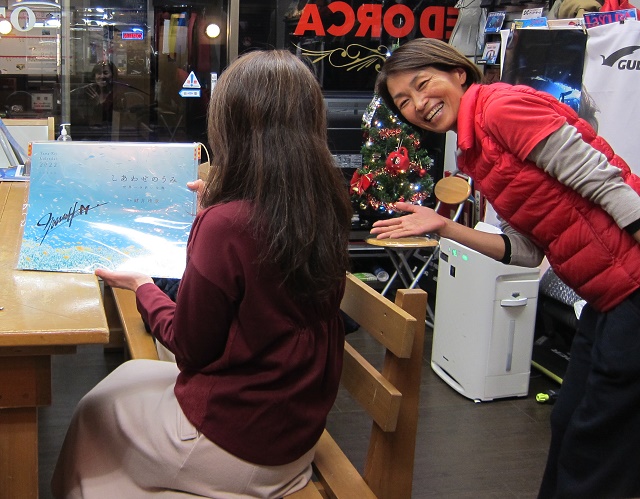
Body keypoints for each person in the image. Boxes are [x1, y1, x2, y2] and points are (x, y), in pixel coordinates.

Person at [52, 50, 353, 498]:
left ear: (231, 126)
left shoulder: (226, 224)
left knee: (92, 412)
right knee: (123, 381)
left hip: (235, 444)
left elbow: (190, 348)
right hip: (293, 435)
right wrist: (212, 214)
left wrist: (142, 286)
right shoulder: (325, 205)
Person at [370, 38, 640, 498]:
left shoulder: (500, 108)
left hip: (632, 283)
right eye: (404, 101)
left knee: (599, 441)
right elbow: (526, 251)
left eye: (423, 83)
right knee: (569, 418)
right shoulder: (476, 151)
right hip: (606, 294)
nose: (419, 103)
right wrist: (444, 227)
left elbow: (600, 178)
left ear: (457, 73)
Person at [70, 62, 118, 139]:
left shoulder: (116, 93)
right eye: (99, 73)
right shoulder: (87, 91)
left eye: (105, 73)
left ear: (112, 75)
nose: (102, 76)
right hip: (87, 133)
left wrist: (99, 105)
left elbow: (114, 119)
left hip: (109, 134)